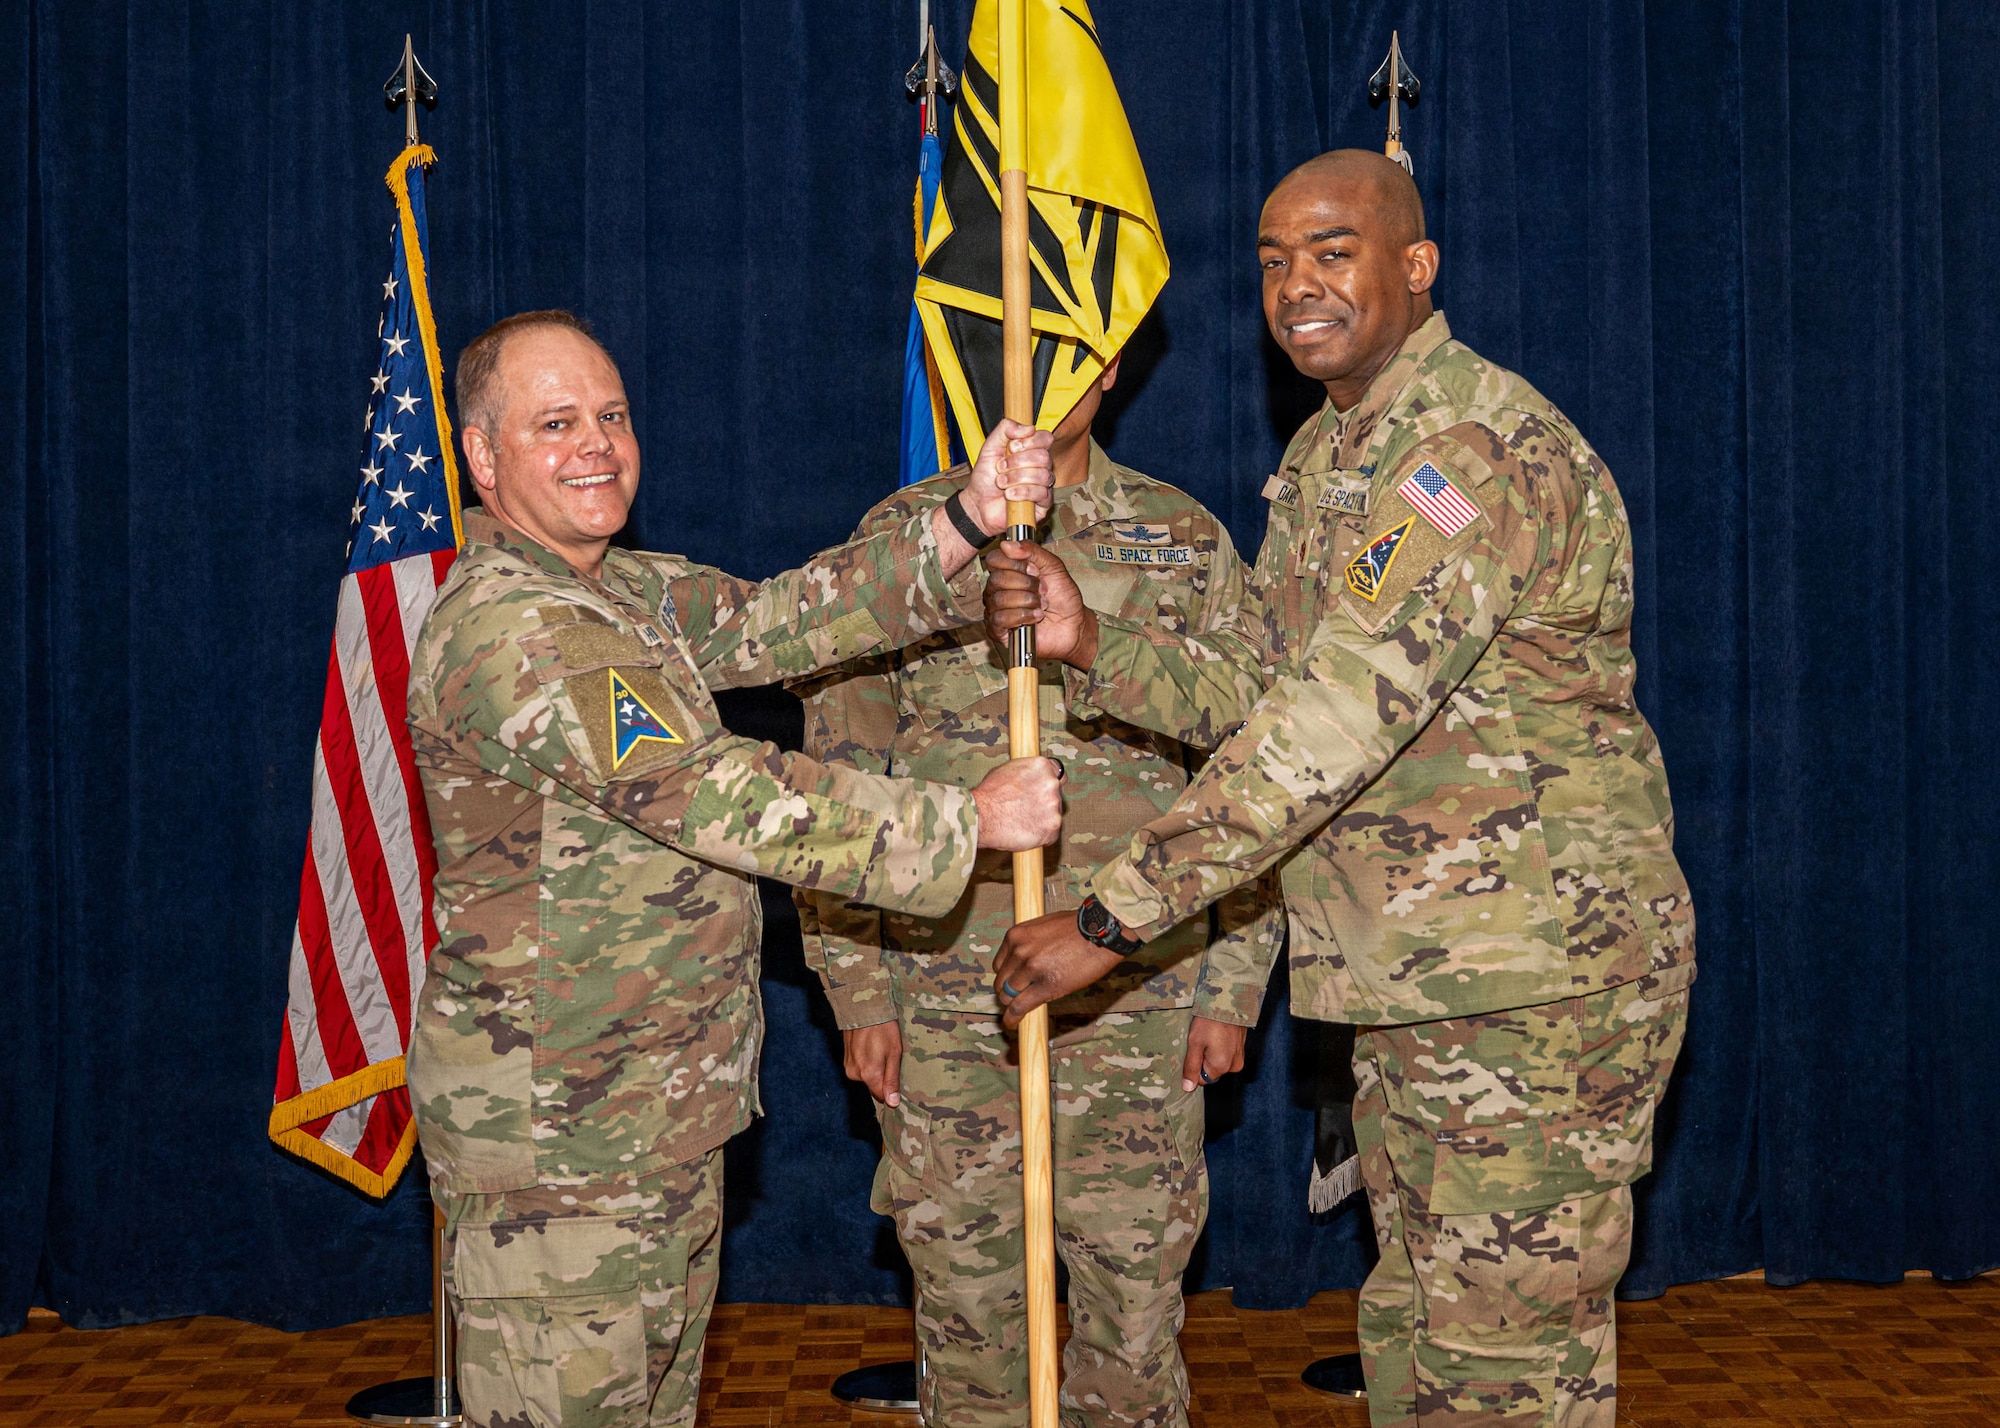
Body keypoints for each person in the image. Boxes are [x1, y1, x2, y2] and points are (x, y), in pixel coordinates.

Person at [983, 151, 1696, 1427]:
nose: (1294, 285)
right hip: (1423, 976)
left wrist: (1110, 920)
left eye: (1329, 252)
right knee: (1416, 1332)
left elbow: (1326, 723)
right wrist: (1096, 646)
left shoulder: (1458, 451)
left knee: (1500, 1372)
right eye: (1270, 261)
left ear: (1413, 269)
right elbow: (1263, 683)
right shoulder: (1331, 455)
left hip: (1532, 982)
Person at [405, 309, 1064, 1428]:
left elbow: (776, 620)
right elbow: (719, 794)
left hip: (649, 1120)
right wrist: (964, 818)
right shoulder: (513, 627)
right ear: (480, 456)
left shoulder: (620, 591)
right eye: (555, 423)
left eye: (610, 417)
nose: (596, 447)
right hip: (561, 1149)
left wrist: (960, 520)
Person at [795, 356, 1283, 1428]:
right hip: (942, 992)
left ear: (1108, 361)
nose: (1028, 366)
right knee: (968, 1314)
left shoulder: (1183, 537)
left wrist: (1231, 984)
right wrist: (859, 993)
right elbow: (838, 787)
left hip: (1140, 991)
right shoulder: (903, 542)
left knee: (1132, 1305)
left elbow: (1261, 761)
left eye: (1067, 343)